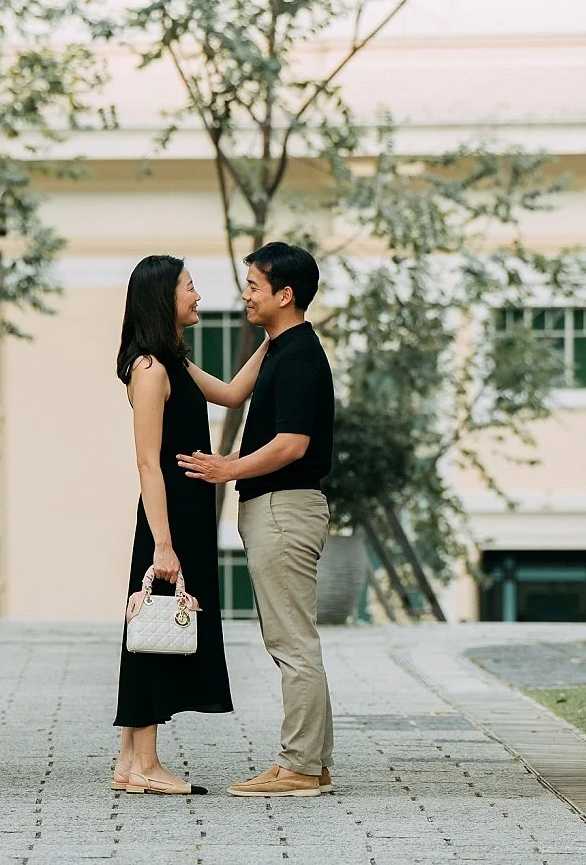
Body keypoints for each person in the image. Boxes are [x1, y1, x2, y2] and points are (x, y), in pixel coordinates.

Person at [177, 242, 336, 798]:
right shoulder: (277, 348)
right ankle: (309, 764)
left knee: (292, 644)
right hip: (273, 507)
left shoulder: (298, 357)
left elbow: (293, 444)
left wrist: (228, 468)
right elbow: (229, 393)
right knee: (292, 641)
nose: (245, 294)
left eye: (253, 286)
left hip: (284, 507)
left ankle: (299, 769)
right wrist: (169, 353)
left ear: (284, 294)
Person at [113, 254, 267, 795]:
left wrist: (274, 336)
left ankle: (131, 762)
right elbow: (147, 461)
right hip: (169, 516)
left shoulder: (172, 361)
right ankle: (149, 766)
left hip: (186, 514)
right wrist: (163, 545)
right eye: (188, 286)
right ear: (162, 298)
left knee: (146, 631)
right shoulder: (150, 369)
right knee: (155, 634)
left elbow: (230, 394)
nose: (198, 295)